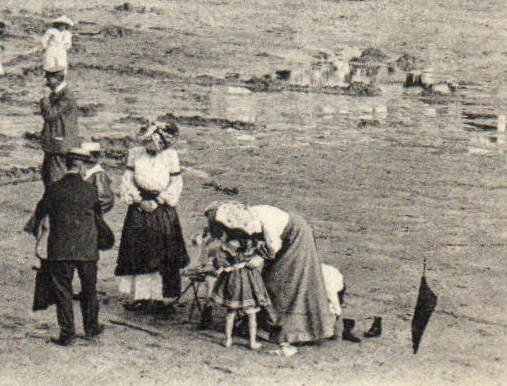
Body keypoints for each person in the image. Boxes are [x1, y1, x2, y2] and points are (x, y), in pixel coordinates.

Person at [206, 201, 335, 347]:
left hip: (296, 237)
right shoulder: (245, 216)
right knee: (269, 279)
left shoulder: (266, 222)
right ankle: (266, 325)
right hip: (281, 240)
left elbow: (273, 245)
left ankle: (293, 331)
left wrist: (258, 258)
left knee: (286, 281)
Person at [26, 142, 111, 345]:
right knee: (89, 288)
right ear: (82, 166)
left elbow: (39, 214)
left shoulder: (54, 189)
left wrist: (39, 235)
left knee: (63, 290)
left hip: (60, 249)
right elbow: (99, 218)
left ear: (65, 165)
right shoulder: (90, 191)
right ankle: (91, 329)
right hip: (87, 249)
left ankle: (67, 334)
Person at [114, 119, 190, 312]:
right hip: (139, 207)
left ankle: (163, 299)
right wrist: (138, 200)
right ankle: (141, 296)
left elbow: (176, 183)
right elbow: (127, 180)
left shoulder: (171, 156)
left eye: (156, 145)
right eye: (148, 144)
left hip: (162, 208)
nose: (151, 148)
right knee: (138, 252)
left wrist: (159, 201)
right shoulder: (135, 154)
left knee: (164, 253)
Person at [209, 230, 272, 351]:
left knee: (231, 311)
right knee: (252, 312)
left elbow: (219, 261)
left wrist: (226, 265)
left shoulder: (229, 245)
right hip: (250, 278)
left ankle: (228, 339)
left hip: (233, 278)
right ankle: (252, 342)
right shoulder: (254, 243)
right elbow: (269, 253)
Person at [37, 69, 80, 187]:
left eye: (49, 79)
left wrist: (44, 99)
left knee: (56, 178)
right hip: (53, 143)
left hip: (59, 143)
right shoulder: (57, 94)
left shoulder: (66, 95)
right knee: (47, 175)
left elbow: (50, 114)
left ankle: (57, 203)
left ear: (59, 79)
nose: (47, 82)